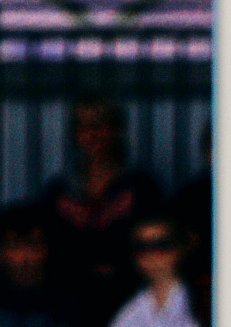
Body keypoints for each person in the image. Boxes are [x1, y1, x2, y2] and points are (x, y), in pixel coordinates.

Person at [36, 97, 163, 302]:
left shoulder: (141, 187)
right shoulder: (59, 191)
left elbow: (155, 248)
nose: (92, 133)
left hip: (130, 297)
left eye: (100, 125)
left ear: (117, 130)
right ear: (75, 134)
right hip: (68, 299)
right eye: (83, 126)